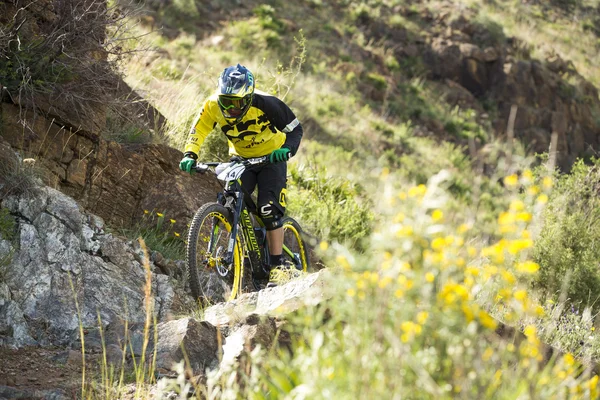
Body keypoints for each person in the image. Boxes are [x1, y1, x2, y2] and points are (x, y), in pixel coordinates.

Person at [179, 64, 303, 285]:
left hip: (271, 159)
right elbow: (199, 129)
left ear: (249, 97)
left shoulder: (268, 103)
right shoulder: (212, 104)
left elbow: (295, 129)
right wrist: (190, 153)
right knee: (231, 197)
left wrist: (286, 150)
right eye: (227, 101)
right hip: (241, 159)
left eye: (238, 102)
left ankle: (278, 265)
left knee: (268, 208)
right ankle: (244, 248)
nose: (232, 108)